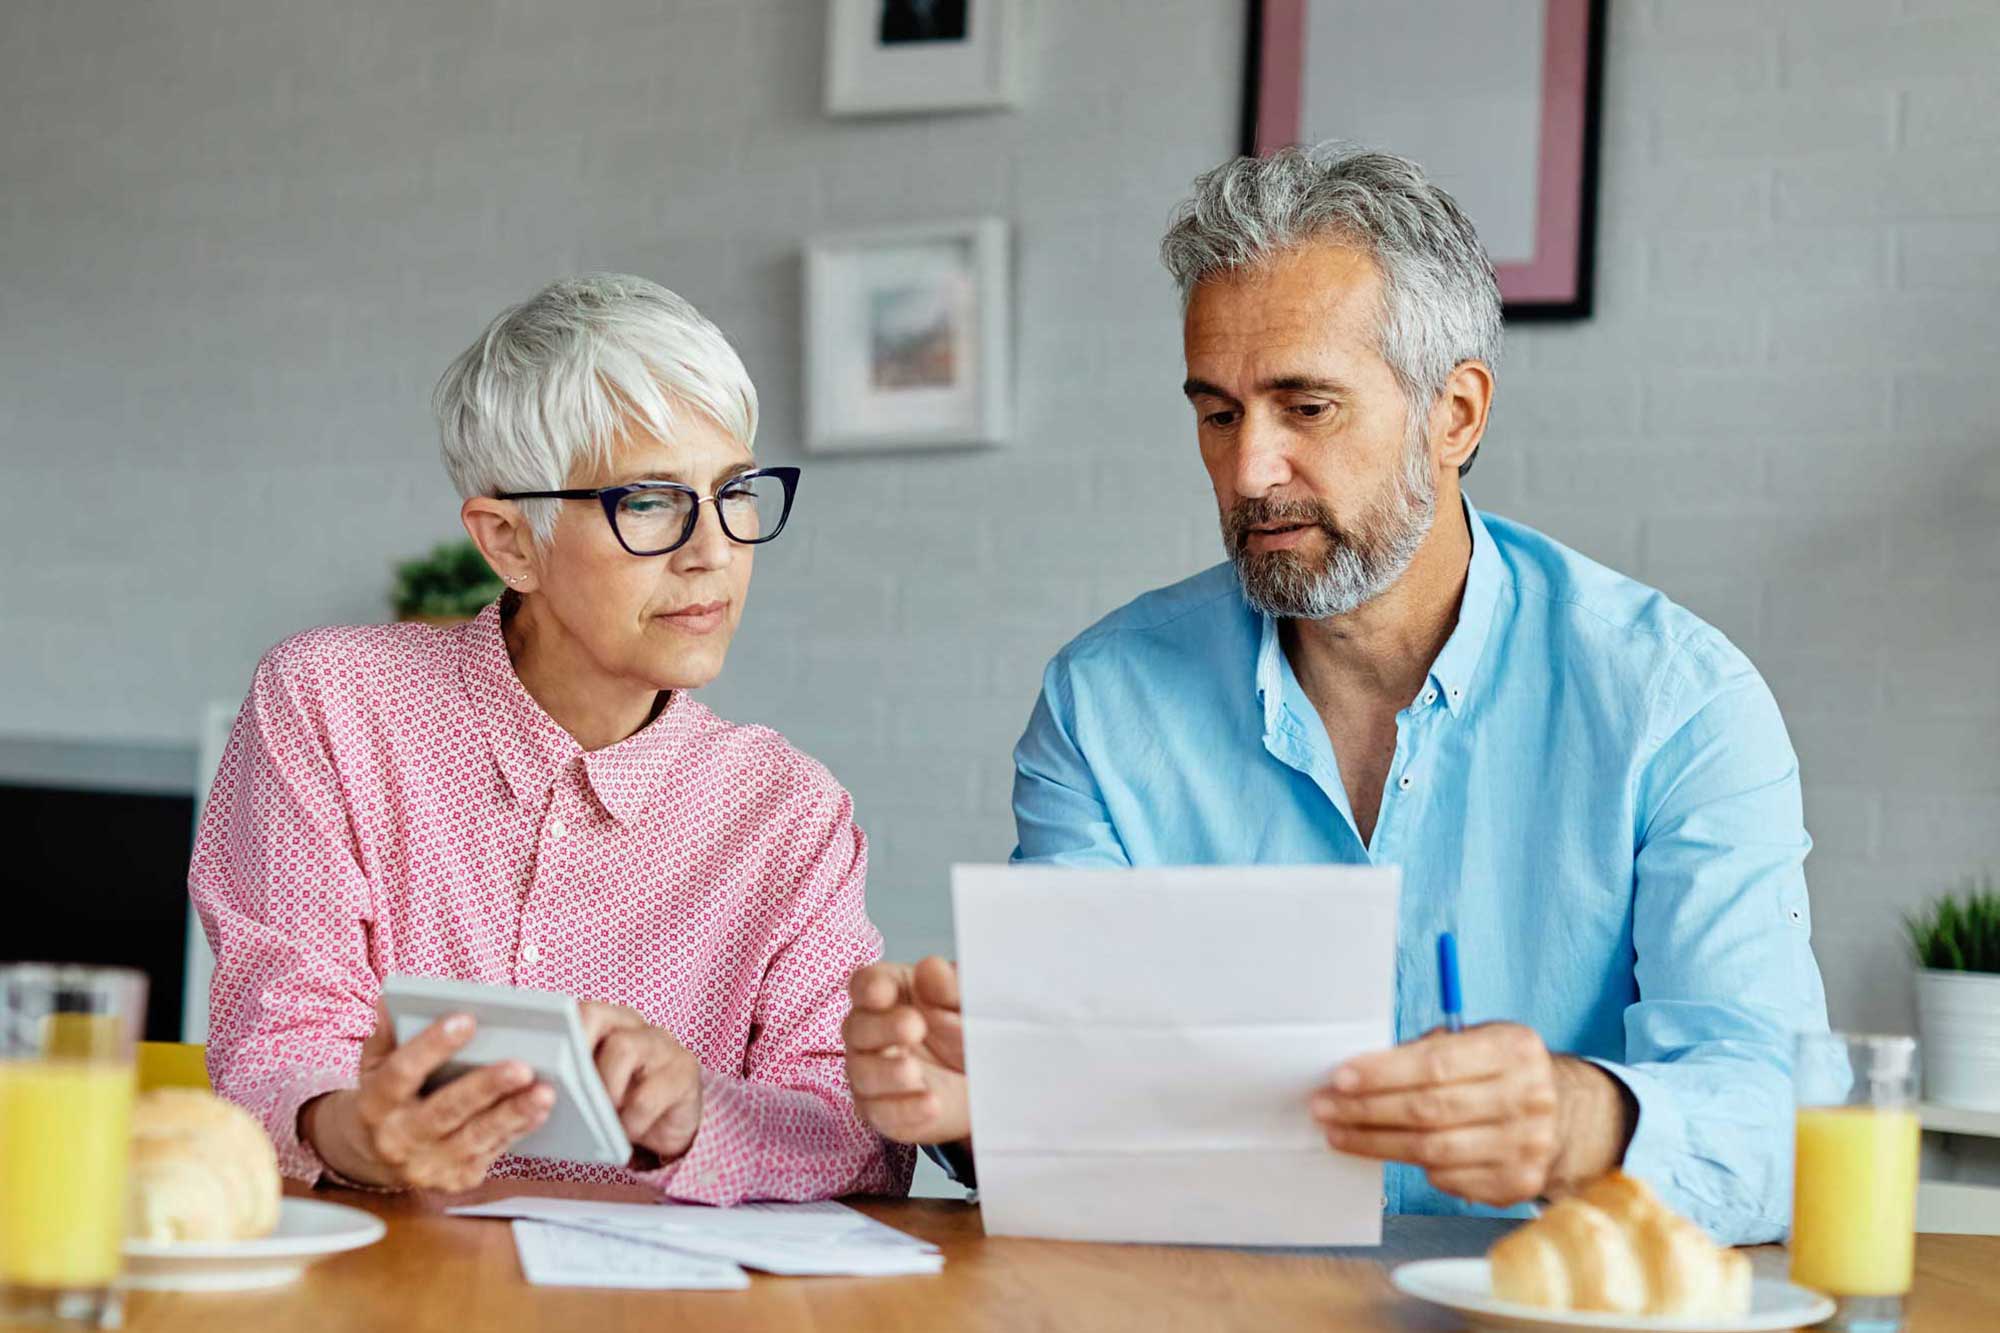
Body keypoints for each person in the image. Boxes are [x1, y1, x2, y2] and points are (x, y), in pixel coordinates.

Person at [844, 145, 1829, 1244]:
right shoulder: (1102, 704)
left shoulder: (1673, 702)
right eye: (1216, 415)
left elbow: (1787, 1125)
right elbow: (1083, 1095)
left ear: (1452, 415)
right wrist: (987, 1112)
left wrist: (1578, 1119)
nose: (1248, 471)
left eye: (1303, 407)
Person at [191, 274, 912, 1203]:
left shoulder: (790, 812)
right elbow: (276, 1046)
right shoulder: (330, 703)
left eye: (734, 493)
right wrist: (358, 1130)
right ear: (509, 542)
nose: (714, 552)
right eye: (650, 501)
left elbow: (867, 1141)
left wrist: (701, 1111)